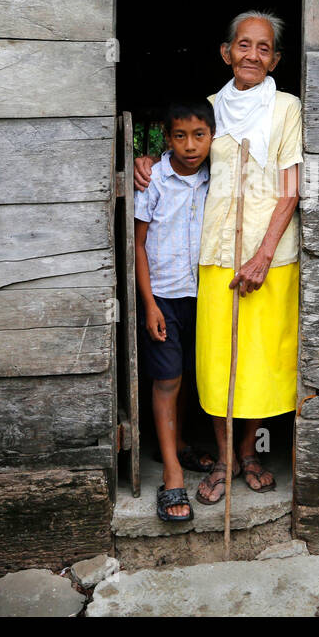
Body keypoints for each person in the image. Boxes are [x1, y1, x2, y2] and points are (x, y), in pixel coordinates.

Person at [134, 10, 301, 507]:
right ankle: (226, 457)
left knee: (257, 360)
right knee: (216, 360)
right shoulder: (208, 108)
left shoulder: (286, 108)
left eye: (264, 48)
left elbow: (291, 188)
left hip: (269, 256)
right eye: (244, 45)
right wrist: (147, 162)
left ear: (275, 59)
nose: (253, 54)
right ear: (226, 52)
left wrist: (262, 255)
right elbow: (178, 156)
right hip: (212, 256)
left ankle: (250, 452)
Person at [133, 96, 214, 521]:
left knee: (189, 378)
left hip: (204, 295)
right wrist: (148, 304)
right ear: (166, 139)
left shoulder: (215, 177)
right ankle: (172, 473)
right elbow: (139, 245)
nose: (189, 145)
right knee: (167, 381)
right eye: (179, 136)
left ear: (212, 137)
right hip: (163, 296)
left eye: (199, 135)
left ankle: (180, 444)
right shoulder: (154, 181)